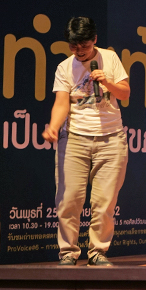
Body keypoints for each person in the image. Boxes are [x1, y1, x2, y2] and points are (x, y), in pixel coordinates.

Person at [42, 17, 130, 267]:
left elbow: (125, 93)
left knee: (104, 202)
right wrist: (54, 127)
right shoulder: (64, 67)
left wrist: (107, 82)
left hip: (111, 139)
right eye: (73, 46)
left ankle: (98, 251)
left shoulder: (110, 58)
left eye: (84, 45)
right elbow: (61, 103)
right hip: (75, 139)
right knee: (69, 199)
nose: (79, 50)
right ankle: (68, 252)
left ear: (95, 40)